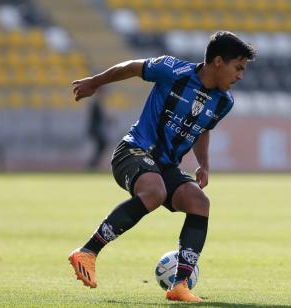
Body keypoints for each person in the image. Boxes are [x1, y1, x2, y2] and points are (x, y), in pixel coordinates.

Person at [68, 31, 256, 302]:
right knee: (154, 192)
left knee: (199, 202)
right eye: (238, 68)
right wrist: (95, 83)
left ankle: (180, 286)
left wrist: (204, 164)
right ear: (218, 62)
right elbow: (132, 67)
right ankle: (87, 251)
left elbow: (203, 130)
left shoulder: (224, 102)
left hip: (165, 166)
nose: (240, 76)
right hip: (133, 151)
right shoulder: (173, 70)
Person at [86, 90, 109, 170]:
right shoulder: (95, 104)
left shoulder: (97, 104)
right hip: (95, 129)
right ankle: (93, 164)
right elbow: (96, 118)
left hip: (96, 129)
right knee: (103, 144)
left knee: (102, 144)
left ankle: (93, 164)